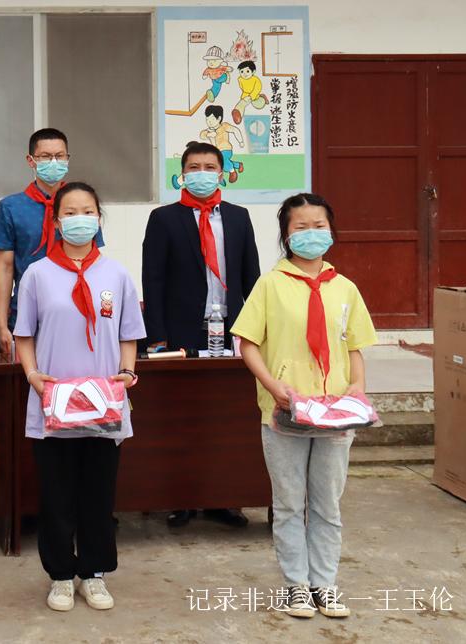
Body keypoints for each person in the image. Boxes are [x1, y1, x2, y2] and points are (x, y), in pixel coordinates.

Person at [231, 193, 376, 619]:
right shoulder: (270, 285)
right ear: (286, 234)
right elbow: (248, 343)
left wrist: (358, 388)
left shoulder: (345, 288)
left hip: (335, 413)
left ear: (331, 231)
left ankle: (325, 585)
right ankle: (296, 585)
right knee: (290, 503)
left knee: (328, 505)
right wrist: (272, 385)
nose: (311, 234)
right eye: (301, 227)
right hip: (285, 412)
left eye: (319, 226)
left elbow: (354, 347)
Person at [13, 182, 145, 613]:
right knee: (56, 497)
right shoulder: (36, 274)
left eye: (88, 211)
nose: (79, 219)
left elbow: (128, 334)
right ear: (56, 222)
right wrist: (33, 375)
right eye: (70, 212)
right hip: (53, 403)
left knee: (98, 495)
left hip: (104, 404)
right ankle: (60, 576)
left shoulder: (116, 274)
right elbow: (24, 335)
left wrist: (127, 372)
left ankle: (94, 572)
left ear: (99, 219)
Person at [143, 141, 260, 529]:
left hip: (230, 331)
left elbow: (252, 278)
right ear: (182, 174)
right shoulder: (164, 219)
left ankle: (223, 498)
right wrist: (157, 336)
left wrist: (258, 330)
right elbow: (153, 281)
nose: (202, 173)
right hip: (181, 333)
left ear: (222, 173)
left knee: (226, 418)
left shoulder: (239, 217)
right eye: (194, 167)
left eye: (210, 166)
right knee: (182, 418)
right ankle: (181, 498)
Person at [0, 128, 105, 361]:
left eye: (60, 156)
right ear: (31, 161)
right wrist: (2, 323)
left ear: (67, 159)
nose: (54, 162)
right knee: (31, 377)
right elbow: (5, 267)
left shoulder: (82, 205)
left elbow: (95, 261)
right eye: (45, 156)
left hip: (77, 310)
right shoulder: (11, 207)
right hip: (27, 312)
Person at [197, 106, 245, 184]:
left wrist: (241, 141)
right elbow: (202, 135)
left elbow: (235, 130)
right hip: (216, 152)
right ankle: (238, 165)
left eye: (212, 119)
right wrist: (208, 135)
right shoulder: (208, 130)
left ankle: (232, 171)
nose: (209, 122)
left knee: (222, 161)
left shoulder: (224, 126)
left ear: (219, 118)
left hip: (226, 149)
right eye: (207, 119)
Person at [232, 61, 268, 125]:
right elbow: (242, 88)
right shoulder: (240, 79)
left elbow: (257, 89)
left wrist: (251, 96)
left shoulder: (256, 80)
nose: (244, 74)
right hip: (245, 94)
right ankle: (237, 113)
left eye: (247, 71)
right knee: (242, 103)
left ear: (253, 72)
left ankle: (262, 97)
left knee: (259, 105)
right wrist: (245, 96)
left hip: (255, 94)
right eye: (242, 72)